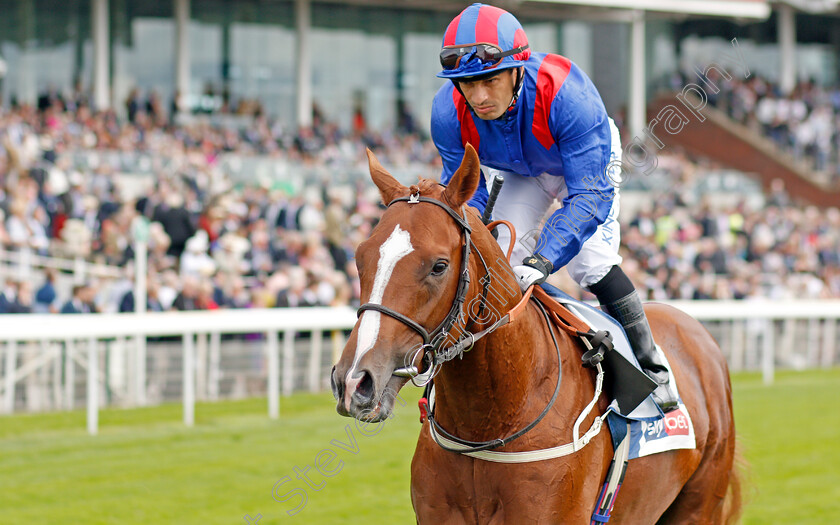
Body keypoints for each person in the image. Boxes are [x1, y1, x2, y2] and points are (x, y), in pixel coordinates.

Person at [431, 3, 677, 411]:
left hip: (582, 166)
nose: (477, 96)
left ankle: (653, 367)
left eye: (488, 80)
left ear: (517, 70)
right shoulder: (447, 110)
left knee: (590, 264)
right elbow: (464, 195)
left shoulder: (568, 96)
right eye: (466, 84)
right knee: (502, 261)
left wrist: (545, 259)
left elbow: (588, 196)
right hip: (519, 169)